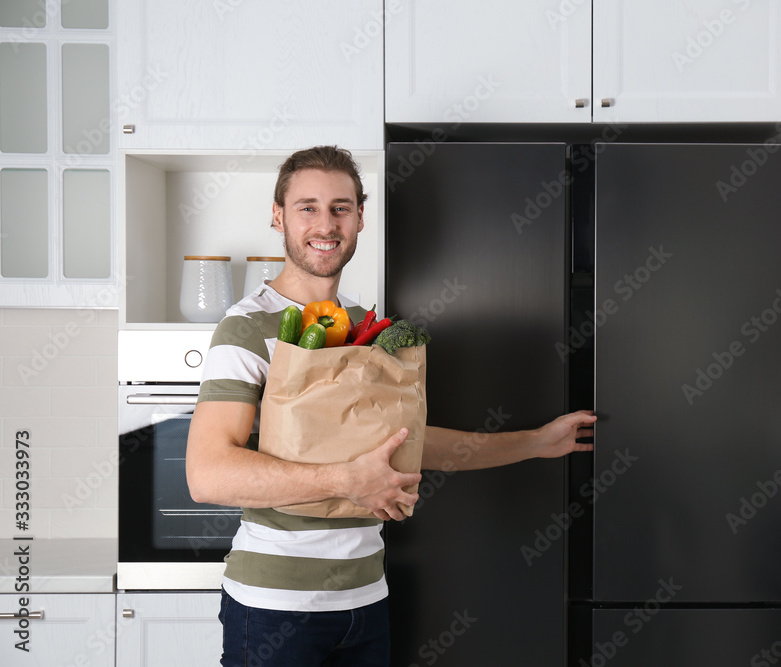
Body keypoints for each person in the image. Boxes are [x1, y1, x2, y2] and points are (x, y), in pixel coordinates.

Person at [185, 145, 596, 666]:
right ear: (278, 216)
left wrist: (536, 442)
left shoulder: (370, 327)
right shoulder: (247, 326)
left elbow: (411, 445)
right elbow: (207, 474)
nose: (325, 223)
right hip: (275, 608)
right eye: (306, 206)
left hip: (366, 602)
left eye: (340, 207)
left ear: (360, 216)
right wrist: (347, 480)